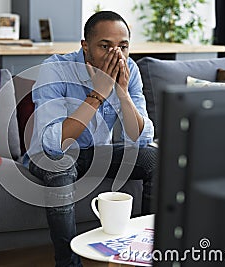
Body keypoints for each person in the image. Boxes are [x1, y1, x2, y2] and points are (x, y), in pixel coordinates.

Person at [23, 11, 158, 267]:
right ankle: (68, 263)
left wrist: (121, 93)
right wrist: (97, 94)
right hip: (51, 155)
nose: (115, 55)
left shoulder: (129, 70)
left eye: (123, 46)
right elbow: (53, 143)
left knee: (156, 159)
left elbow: (141, 139)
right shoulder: (56, 68)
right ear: (85, 46)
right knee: (60, 166)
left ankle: (142, 252)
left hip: (97, 152)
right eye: (105, 46)